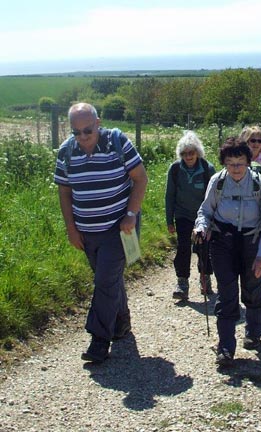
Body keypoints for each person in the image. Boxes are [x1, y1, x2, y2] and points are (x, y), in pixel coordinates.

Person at [54, 102, 148, 363]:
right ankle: (121, 320)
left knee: (104, 281)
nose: (82, 137)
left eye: (87, 130)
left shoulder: (117, 142)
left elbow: (141, 178)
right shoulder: (66, 152)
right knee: (109, 278)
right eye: (76, 132)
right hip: (86, 231)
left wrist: (131, 214)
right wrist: (71, 229)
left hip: (118, 227)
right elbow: (64, 192)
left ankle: (98, 340)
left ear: (98, 123)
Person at [194, 137, 261, 366]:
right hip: (223, 241)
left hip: (252, 241)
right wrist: (201, 226)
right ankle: (225, 347)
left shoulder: (260, 184)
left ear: (248, 162)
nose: (235, 169)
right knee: (226, 291)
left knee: (252, 287)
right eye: (230, 163)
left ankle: (253, 333)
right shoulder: (217, 182)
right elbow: (205, 211)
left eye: (240, 163)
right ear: (224, 163)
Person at [165, 131, 216, 300]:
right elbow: (170, 195)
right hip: (182, 214)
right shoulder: (175, 169)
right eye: (184, 154)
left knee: (204, 248)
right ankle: (182, 283)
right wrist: (169, 220)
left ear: (198, 152)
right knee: (183, 247)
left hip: (203, 215)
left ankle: (205, 278)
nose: (188, 157)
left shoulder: (207, 169)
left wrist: (214, 219)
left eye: (191, 153)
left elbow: (214, 196)